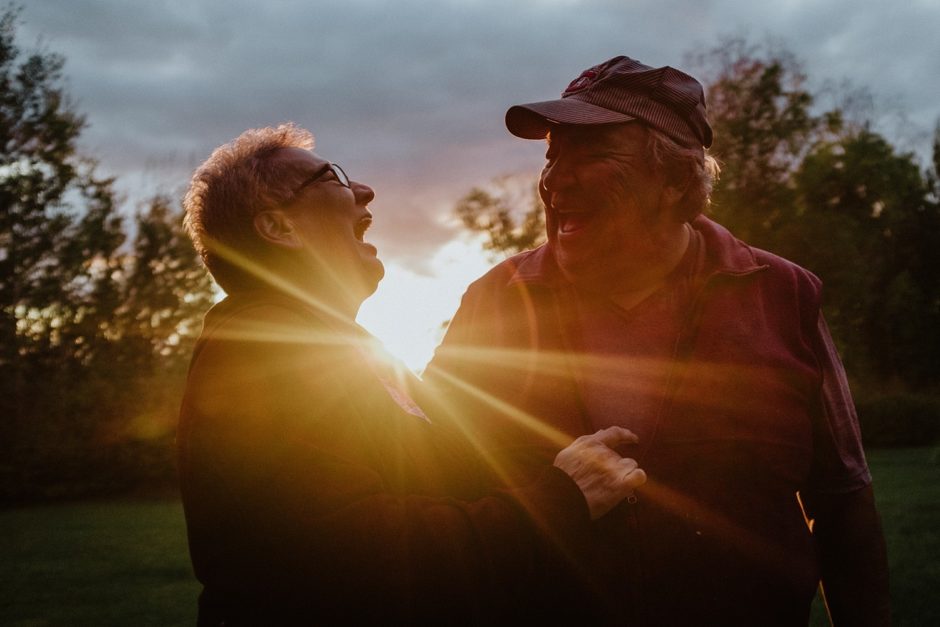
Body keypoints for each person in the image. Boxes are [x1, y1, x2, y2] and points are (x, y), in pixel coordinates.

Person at [424, 56, 891, 626]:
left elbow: (844, 499)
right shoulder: (494, 300)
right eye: (553, 155)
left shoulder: (783, 294)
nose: (555, 180)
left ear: (674, 180)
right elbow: (430, 487)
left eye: (591, 154)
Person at [176, 123, 647, 625]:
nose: (364, 190)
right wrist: (561, 500)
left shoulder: (344, 352)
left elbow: (433, 483)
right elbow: (349, 553)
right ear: (280, 228)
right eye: (330, 179)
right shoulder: (263, 352)